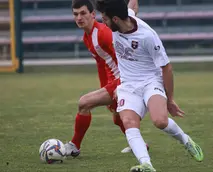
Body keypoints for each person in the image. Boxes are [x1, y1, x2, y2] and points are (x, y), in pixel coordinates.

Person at [96, 0, 204, 171]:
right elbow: (132, 7)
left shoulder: (147, 36)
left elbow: (166, 67)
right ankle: (146, 164)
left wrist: (170, 99)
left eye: (105, 19)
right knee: (129, 122)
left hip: (150, 81)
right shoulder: (125, 16)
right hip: (128, 85)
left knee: (160, 121)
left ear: (115, 19)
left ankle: (186, 140)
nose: (102, 23)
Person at [64, 0, 144, 157]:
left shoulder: (102, 33)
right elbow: (102, 65)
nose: (79, 18)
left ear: (93, 14)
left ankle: (74, 145)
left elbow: (124, 58)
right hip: (114, 81)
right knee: (117, 118)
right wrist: (105, 87)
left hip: (124, 80)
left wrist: (119, 86)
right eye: (75, 14)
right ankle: (140, 145)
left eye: (83, 13)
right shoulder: (87, 37)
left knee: (84, 103)